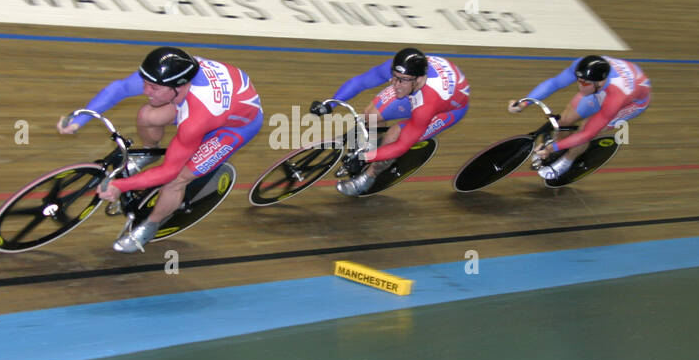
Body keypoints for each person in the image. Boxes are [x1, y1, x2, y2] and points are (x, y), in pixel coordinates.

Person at [57, 47, 263, 252]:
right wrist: (79, 120)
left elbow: (169, 171)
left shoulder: (196, 119)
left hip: (234, 127)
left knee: (177, 179)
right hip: (209, 103)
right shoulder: (171, 74)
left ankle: (152, 224)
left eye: (153, 88)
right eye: (145, 83)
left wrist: (122, 185)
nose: (146, 91)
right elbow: (121, 88)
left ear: (178, 87)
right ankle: (149, 152)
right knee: (147, 116)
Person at [311, 48, 469, 196]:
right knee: (370, 115)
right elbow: (361, 82)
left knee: (395, 135)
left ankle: (369, 176)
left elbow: (401, 146)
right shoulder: (401, 72)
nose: (395, 84)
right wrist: (329, 104)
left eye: (403, 80)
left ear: (419, 79)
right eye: (394, 77)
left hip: (448, 110)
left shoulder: (427, 104)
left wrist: (364, 158)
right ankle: (372, 148)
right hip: (419, 91)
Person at [508, 54, 650, 181]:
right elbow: (554, 83)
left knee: (586, 128)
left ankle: (567, 161)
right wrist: (524, 103)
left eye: (585, 83)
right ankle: (558, 148)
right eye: (579, 80)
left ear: (599, 83)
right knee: (563, 121)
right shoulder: (582, 65)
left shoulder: (618, 96)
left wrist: (552, 147)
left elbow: (587, 133)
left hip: (630, 103)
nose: (580, 86)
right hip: (603, 90)